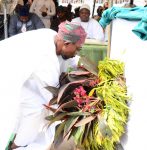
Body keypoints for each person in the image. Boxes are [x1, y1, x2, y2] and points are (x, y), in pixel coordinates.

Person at [0, 21, 86, 150]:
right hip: (5, 76)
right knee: (32, 108)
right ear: (67, 43)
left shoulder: (53, 35)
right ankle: (16, 146)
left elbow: (67, 59)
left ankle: (17, 143)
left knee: (33, 105)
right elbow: (52, 98)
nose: (76, 53)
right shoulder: (46, 56)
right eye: (77, 49)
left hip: (16, 73)